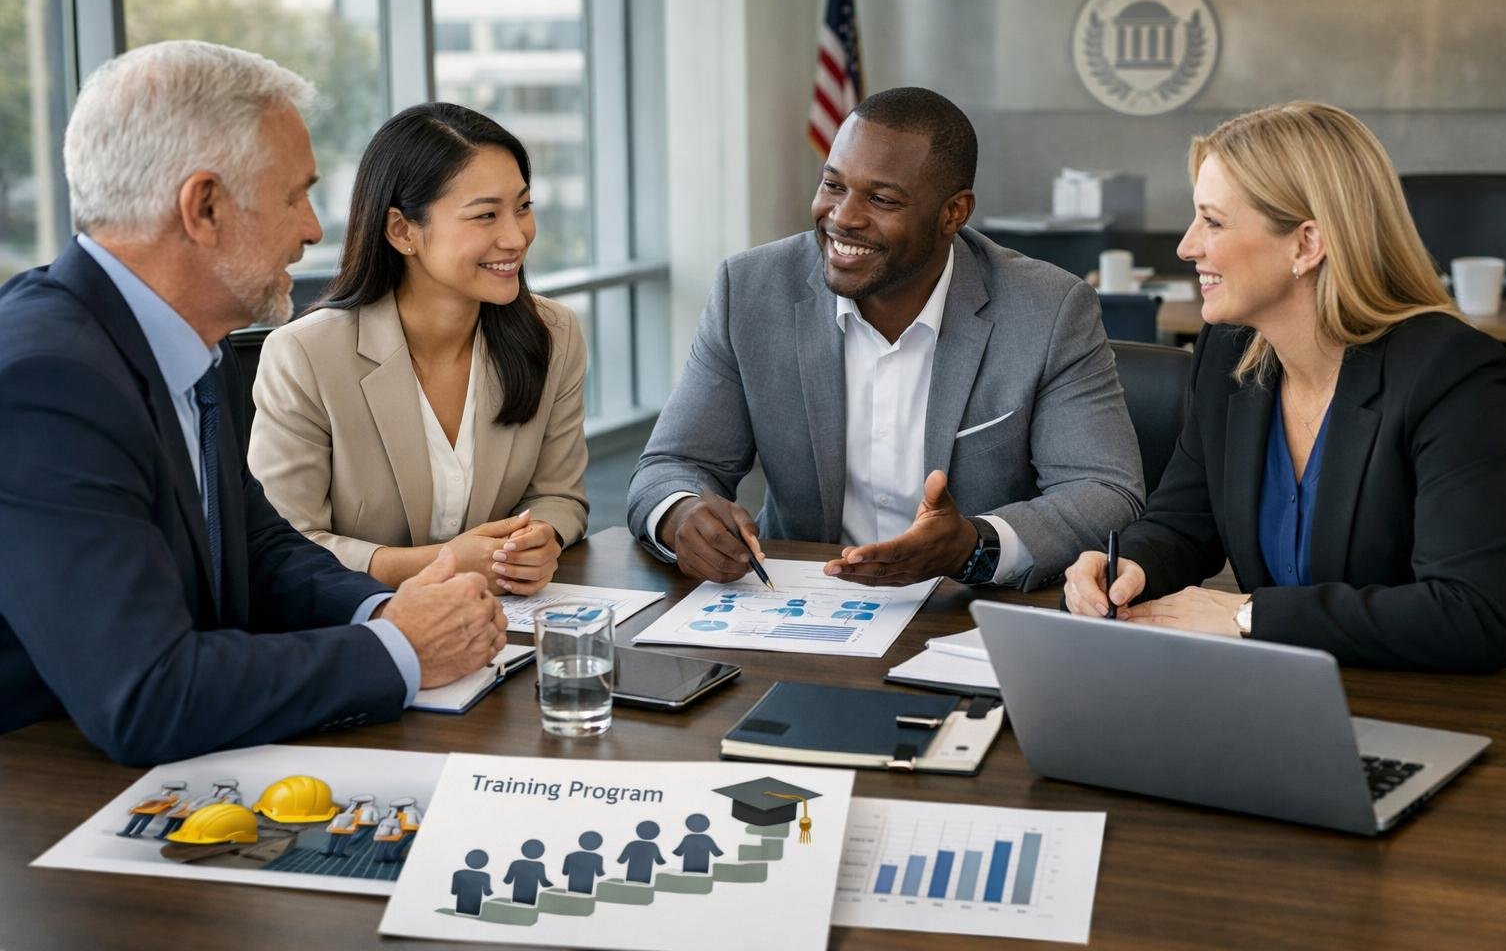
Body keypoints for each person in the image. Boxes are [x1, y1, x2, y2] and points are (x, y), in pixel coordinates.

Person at [0, 41, 507, 765]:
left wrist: (386, 609)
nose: (312, 228)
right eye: (294, 195)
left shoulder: (191, 342)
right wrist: (398, 648)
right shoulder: (45, 384)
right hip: (43, 799)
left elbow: (257, 550)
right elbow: (146, 695)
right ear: (203, 206)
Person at [1063, 101, 1506, 672]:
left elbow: (1468, 615)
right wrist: (1129, 566)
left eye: (1212, 221)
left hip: (1431, 712)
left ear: (1306, 244)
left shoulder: (1452, 373)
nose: (1187, 246)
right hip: (1284, 697)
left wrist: (1248, 616)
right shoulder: (1226, 350)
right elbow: (1185, 522)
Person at [627, 88, 1142, 590]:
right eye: (833, 186)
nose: (843, 218)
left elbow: (1103, 490)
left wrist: (973, 545)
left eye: (881, 198)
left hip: (966, 611)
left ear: (953, 214)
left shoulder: (1047, 309)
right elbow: (673, 465)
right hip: (798, 604)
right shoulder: (751, 292)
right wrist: (682, 512)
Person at [249, 103, 588, 595]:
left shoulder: (554, 333)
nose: (516, 236)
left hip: (503, 628)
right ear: (402, 230)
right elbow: (282, 546)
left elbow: (560, 495)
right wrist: (442, 562)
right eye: (486, 215)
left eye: (523, 206)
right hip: (361, 629)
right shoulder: (304, 356)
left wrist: (542, 539)